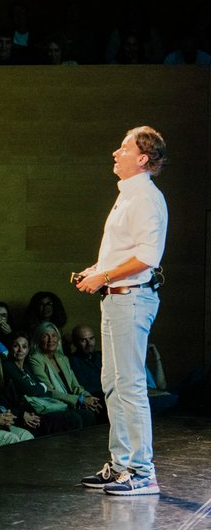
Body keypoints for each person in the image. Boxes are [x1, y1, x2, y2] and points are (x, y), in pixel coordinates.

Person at [74, 126, 168, 496]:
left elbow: (147, 256)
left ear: (143, 158)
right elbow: (124, 251)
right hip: (116, 297)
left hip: (131, 299)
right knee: (114, 383)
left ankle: (142, 472)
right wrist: (98, 271)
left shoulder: (145, 197)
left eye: (125, 148)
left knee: (130, 384)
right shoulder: (128, 194)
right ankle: (121, 464)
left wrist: (106, 276)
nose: (116, 152)